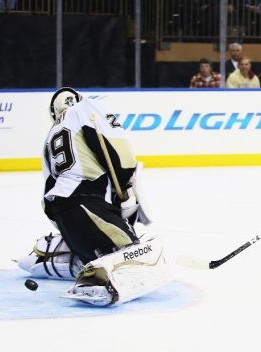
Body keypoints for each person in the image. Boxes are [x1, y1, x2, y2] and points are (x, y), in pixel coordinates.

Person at [17, 87, 169, 306]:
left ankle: (66, 254)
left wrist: (68, 228)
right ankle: (96, 278)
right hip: (88, 205)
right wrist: (126, 186)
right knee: (141, 254)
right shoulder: (85, 108)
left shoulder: (50, 137)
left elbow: (47, 195)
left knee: (103, 250)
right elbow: (119, 150)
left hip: (64, 213)